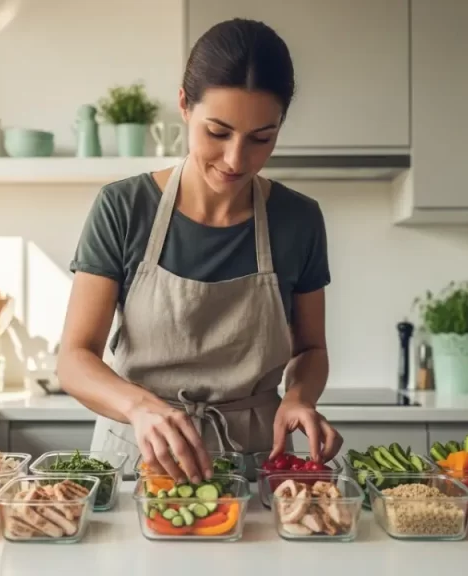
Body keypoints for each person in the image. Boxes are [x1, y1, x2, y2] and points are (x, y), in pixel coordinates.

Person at [58, 18, 342, 485]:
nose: (236, 159)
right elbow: (74, 358)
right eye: (218, 131)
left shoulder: (300, 220)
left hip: (255, 464)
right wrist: (139, 406)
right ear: (185, 106)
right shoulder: (124, 207)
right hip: (137, 458)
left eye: (261, 138)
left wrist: (300, 398)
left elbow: (311, 348)